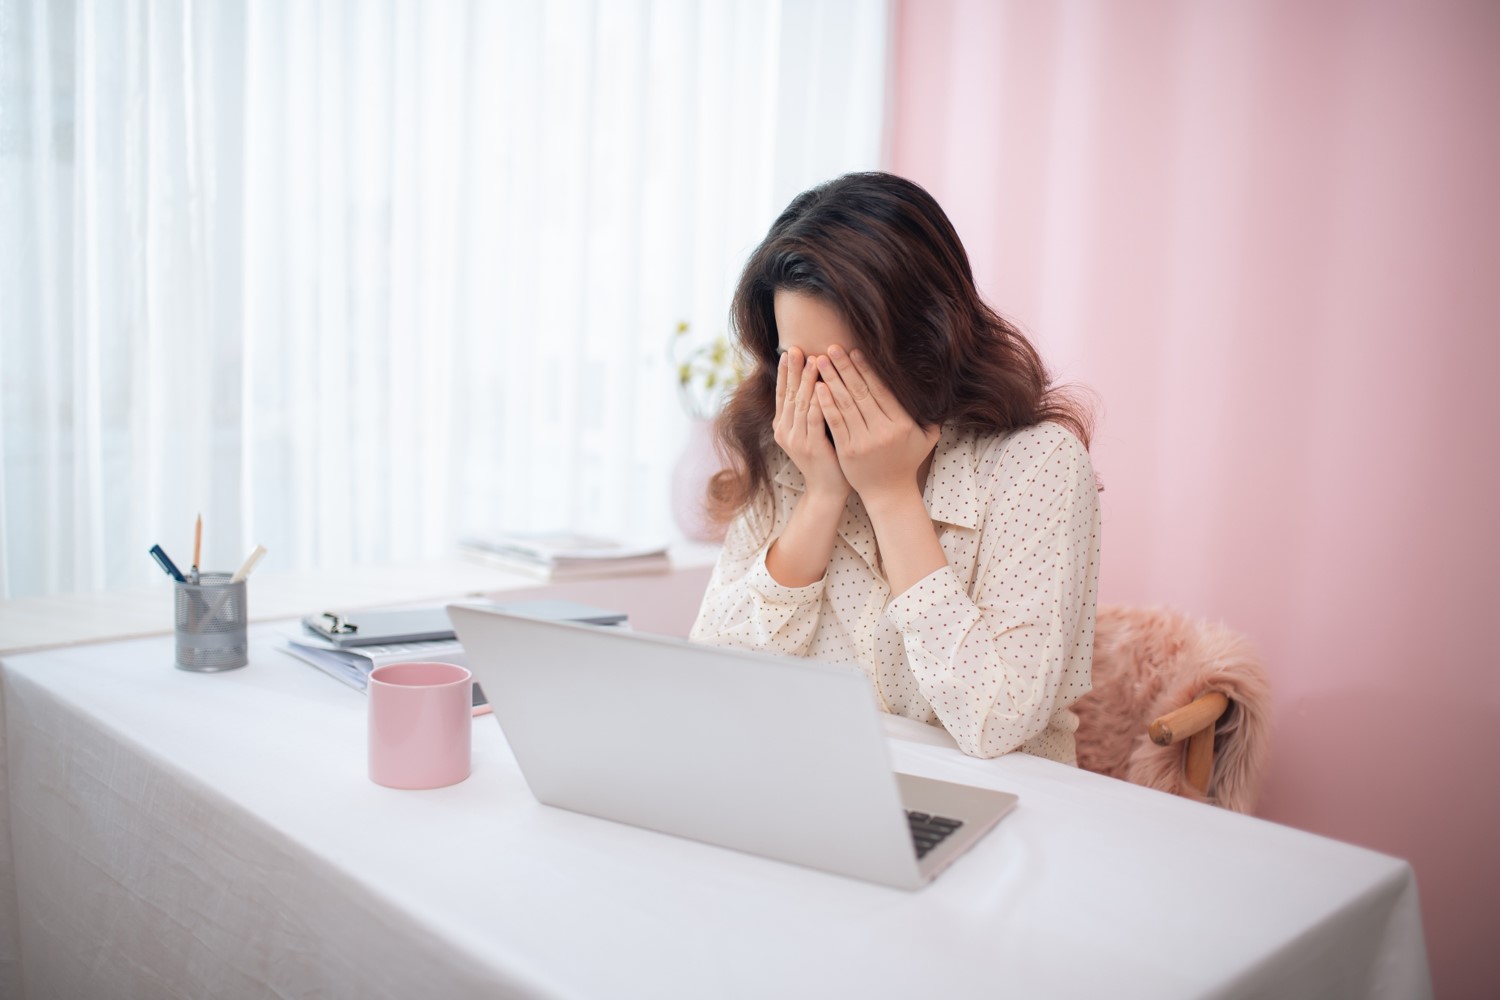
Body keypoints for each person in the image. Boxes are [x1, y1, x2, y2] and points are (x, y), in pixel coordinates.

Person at [688, 172, 1101, 764]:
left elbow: (997, 719)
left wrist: (890, 496)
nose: (816, 396)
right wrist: (820, 497)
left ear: (929, 342)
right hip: (821, 791)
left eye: (843, 369)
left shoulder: (1037, 464)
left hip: (1005, 807)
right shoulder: (788, 449)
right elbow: (717, 681)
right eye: (793, 362)